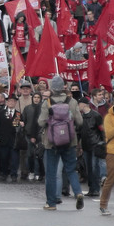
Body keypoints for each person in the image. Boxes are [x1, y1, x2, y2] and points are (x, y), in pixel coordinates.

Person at [37, 76, 84, 211]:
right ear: (64, 87)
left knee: (51, 173)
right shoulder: (72, 101)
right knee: (71, 169)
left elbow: (41, 122)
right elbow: (80, 121)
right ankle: (78, 192)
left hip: (51, 142)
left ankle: (51, 203)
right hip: (69, 141)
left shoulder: (47, 102)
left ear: (52, 88)